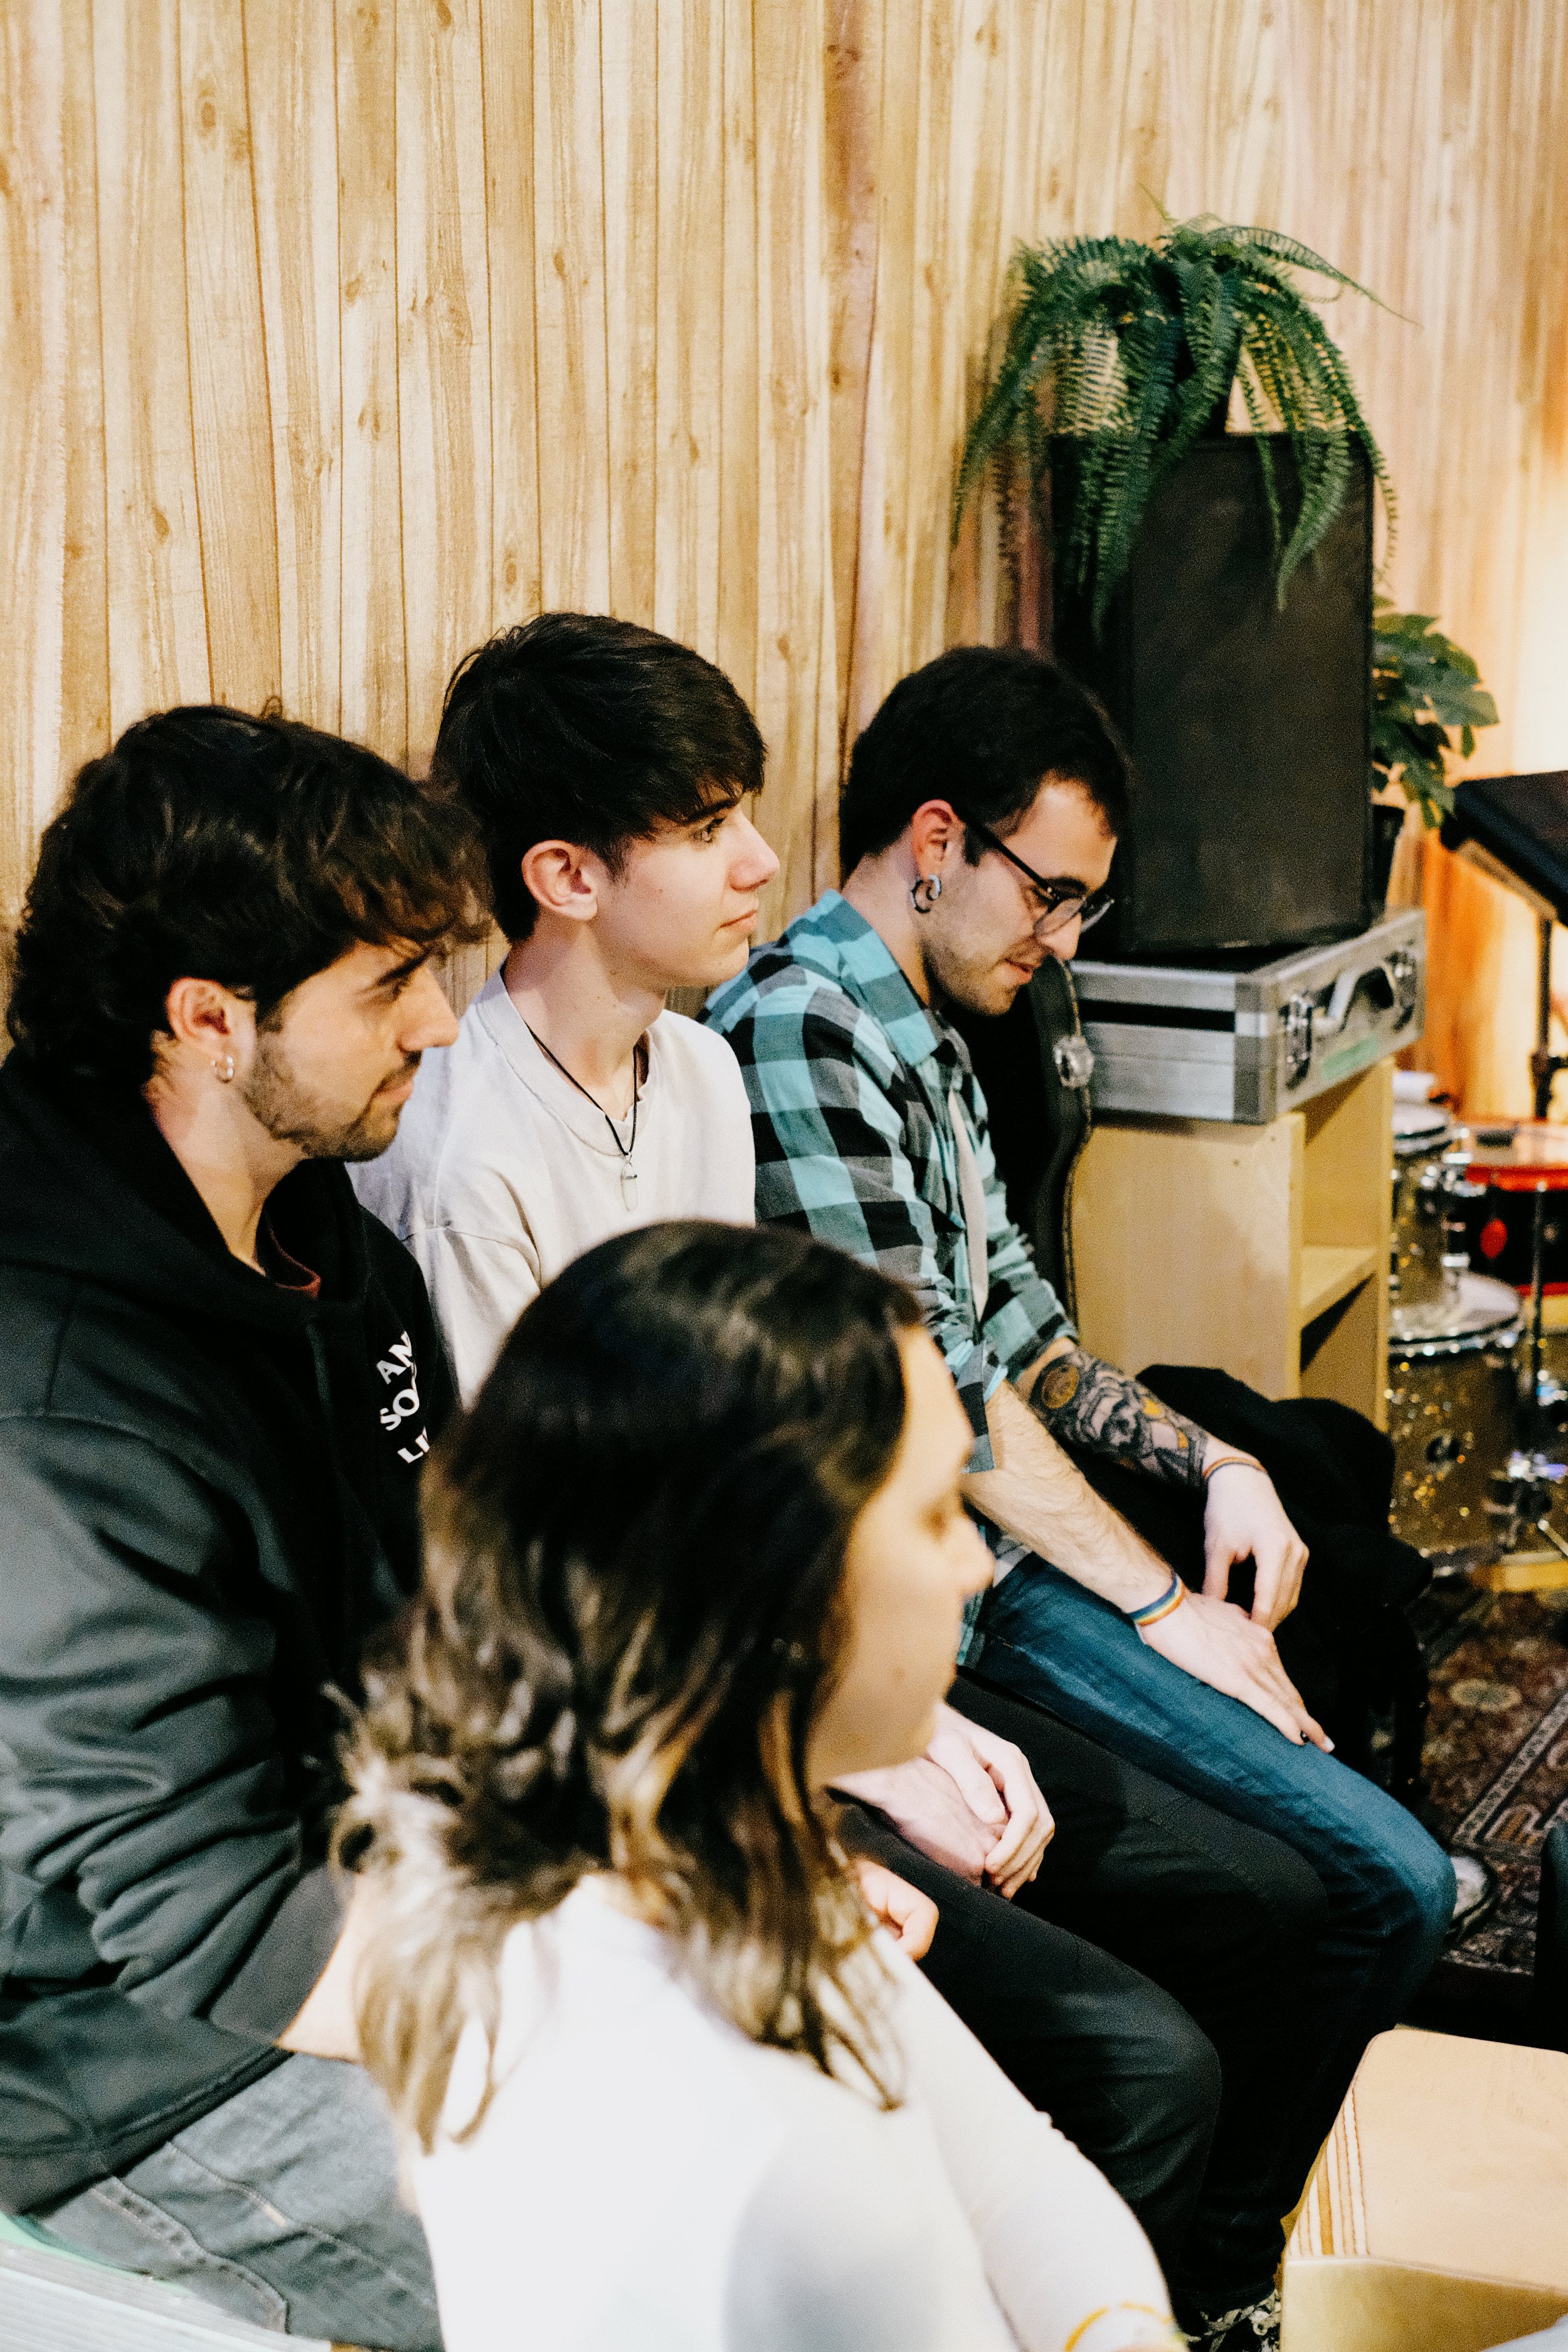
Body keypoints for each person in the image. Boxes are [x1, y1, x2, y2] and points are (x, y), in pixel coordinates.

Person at [364, 614, 1345, 2328]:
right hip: (652, 1747)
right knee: (1140, 2054)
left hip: (769, 1687)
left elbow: (776, 1471)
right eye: (706, 823)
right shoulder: (470, 1158)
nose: (761, 859)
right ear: (565, 872)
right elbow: (582, 1568)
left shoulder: (694, 1074)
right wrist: (853, 1774)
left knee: (1258, 1890)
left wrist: (910, 1716)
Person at [705, 642, 1457, 2352]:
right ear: (931, 837)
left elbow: (1029, 1340)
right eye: (1048, 895)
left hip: (990, 1566)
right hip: (938, 1600)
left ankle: (1203, 2263)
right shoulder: (805, 1026)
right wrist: (1154, 1600)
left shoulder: (920, 1027)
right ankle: (1205, 2278)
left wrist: (1213, 1462)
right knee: (1371, 1884)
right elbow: (943, 1400)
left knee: (1330, 1668)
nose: (1059, 941)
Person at [319, 1217, 1185, 2352]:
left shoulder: (676, 1849)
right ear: (771, 1594)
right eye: (933, 1515)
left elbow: (1019, 2176)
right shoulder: (761, 2166)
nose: (975, 1560)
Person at [0, 707, 492, 2349]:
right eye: (386, 982)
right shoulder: (63, 1385)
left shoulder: (316, 1232)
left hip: (352, 1892)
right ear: (210, 1019)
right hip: (123, 2061)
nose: (439, 1018)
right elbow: (202, 1917)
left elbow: (457, 1608)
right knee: (689, 2225)